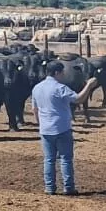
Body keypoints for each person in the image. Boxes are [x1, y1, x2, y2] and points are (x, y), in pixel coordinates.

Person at [30, 62, 91, 195]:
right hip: (62, 128)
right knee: (65, 159)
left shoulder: (37, 88)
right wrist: (89, 85)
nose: (64, 74)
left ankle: (50, 187)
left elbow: (35, 109)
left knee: (49, 159)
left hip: (45, 129)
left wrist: (40, 124)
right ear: (57, 73)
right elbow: (78, 99)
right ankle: (68, 187)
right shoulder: (60, 88)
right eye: (62, 72)